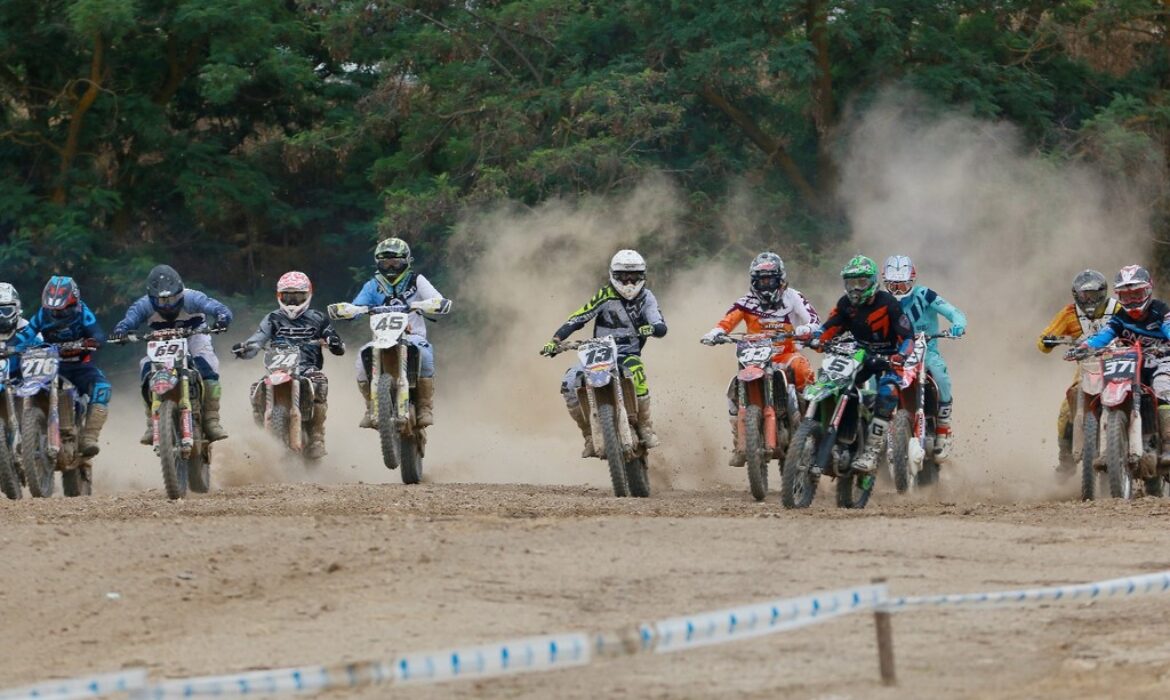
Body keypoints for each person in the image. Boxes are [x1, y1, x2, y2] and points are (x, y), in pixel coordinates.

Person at [540, 249, 668, 457]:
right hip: (598, 349)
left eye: (634, 276)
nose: (628, 282)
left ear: (642, 276)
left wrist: (653, 328)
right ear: (613, 275)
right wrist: (556, 340)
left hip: (628, 351)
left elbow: (660, 324)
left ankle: (645, 425)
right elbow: (579, 317)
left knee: (638, 371)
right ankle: (589, 435)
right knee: (569, 382)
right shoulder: (605, 294)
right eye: (623, 276)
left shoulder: (646, 297)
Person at [700, 251, 820, 466]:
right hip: (755, 356)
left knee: (802, 368)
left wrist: (807, 328)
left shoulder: (793, 297)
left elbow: (813, 319)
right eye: (761, 281)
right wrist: (716, 332)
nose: (765, 286)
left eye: (770, 280)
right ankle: (740, 443)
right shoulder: (745, 302)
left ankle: (808, 422)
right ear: (754, 281)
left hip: (785, 353)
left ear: (780, 279)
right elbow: (728, 321)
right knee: (733, 389)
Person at [109, 265, 232, 443]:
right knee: (146, 368)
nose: (167, 304)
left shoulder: (193, 297)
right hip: (160, 341)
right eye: (160, 301)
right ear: (151, 298)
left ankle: (212, 420)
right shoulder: (143, 305)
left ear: (180, 292)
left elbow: (217, 307)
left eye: (172, 298)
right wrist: (121, 331)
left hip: (194, 335)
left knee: (208, 367)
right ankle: (152, 422)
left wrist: (222, 318)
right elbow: (129, 320)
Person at [338, 237, 451, 428]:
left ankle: (424, 407)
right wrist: (350, 310)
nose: (390, 267)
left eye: (395, 262)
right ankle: (370, 406)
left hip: (413, 337)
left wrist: (431, 304)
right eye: (385, 262)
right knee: (360, 358)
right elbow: (357, 306)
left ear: (406, 261)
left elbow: (438, 300)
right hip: (381, 339)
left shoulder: (417, 280)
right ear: (378, 263)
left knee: (424, 353)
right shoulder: (373, 285)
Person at [816, 255, 913, 474]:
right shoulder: (845, 304)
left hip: (888, 358)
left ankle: (871, 450)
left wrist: (901, 355)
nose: (855, 289)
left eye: (861, 282)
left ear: (872, 282)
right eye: (851, 283)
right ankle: (821, 433)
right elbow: (831, 326)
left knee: (887, 394)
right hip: (859, 355)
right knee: (831, 381)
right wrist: (816, 337)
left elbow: (908, 336)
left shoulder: (889, 303)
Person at [233, 271, 345, 459]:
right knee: (255, 388)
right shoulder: (272, 318)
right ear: (279, 296)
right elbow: (258, 339)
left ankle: (317, 436)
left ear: (308, 295)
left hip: (307, 367)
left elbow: (334, 340)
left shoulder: (318, 317)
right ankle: (263, 436)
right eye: (288, 297)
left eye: (297, 297)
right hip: (277, 369)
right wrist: (245, 348)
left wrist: (333, 341)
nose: (292, 302)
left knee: (320, 382)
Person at [1070, 265, 1170, 464]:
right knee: (1105, 386)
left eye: (1137, 294)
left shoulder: (1161, 311)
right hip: (1133, 363)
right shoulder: (1120, 318)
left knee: (1162, 389)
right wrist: (1083, 347)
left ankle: (1168, 444)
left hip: (1161, 360)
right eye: (1126, 297)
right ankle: (1106, 445)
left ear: (1148, 290)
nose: (1132, 301)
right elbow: (1103, 336)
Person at [881, 255, 967, 460]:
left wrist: (958, 325)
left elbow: (954, 311)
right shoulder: (881, 300)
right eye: (893, 286)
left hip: (926, 351)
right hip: (894, 353)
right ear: (885, 283)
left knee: (941, 376)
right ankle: (873, 431)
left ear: (912, 281)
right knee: (873, 380)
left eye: (903, 285)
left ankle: (943, 430)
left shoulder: (925, 295)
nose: (898, 290)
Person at [14, 277, 110, 456]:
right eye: (54, 311)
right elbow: (26, 334)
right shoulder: (43, 314)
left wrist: (94, 341)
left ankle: (89, 437)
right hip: (52, 365)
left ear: (74, 303)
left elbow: (98, 333)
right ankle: (28, 437)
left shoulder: (83, 312)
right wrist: (12, 347)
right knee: (26, 387)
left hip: (81, 365)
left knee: (102, 388)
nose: (58, 314)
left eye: (63, 310)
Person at [1037, 269, 1119, 474]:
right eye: (1085, 295)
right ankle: (1066, 460)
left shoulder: (1117, 308)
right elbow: (1043, 341)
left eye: (1093, 294)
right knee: (1067, 410)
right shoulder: (1068, 313)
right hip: (1087, 365)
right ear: (1076, 295)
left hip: (1120, 362)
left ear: (1103, 292)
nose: (1090, 300)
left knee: (1144, 393)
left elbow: (1136, 327)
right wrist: (1049, 341)